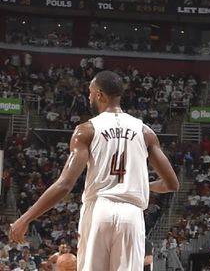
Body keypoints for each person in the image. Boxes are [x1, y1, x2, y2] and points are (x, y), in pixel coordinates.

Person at [9, 70, 180, 271]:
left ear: (99, 94)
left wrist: (26, 217)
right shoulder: (145, 132)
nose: (88, 97)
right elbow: (172, 184)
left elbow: (64, 185)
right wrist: (142, 185)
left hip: (100, 209)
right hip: (132, 214)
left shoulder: (87, 130)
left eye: (90, 93)